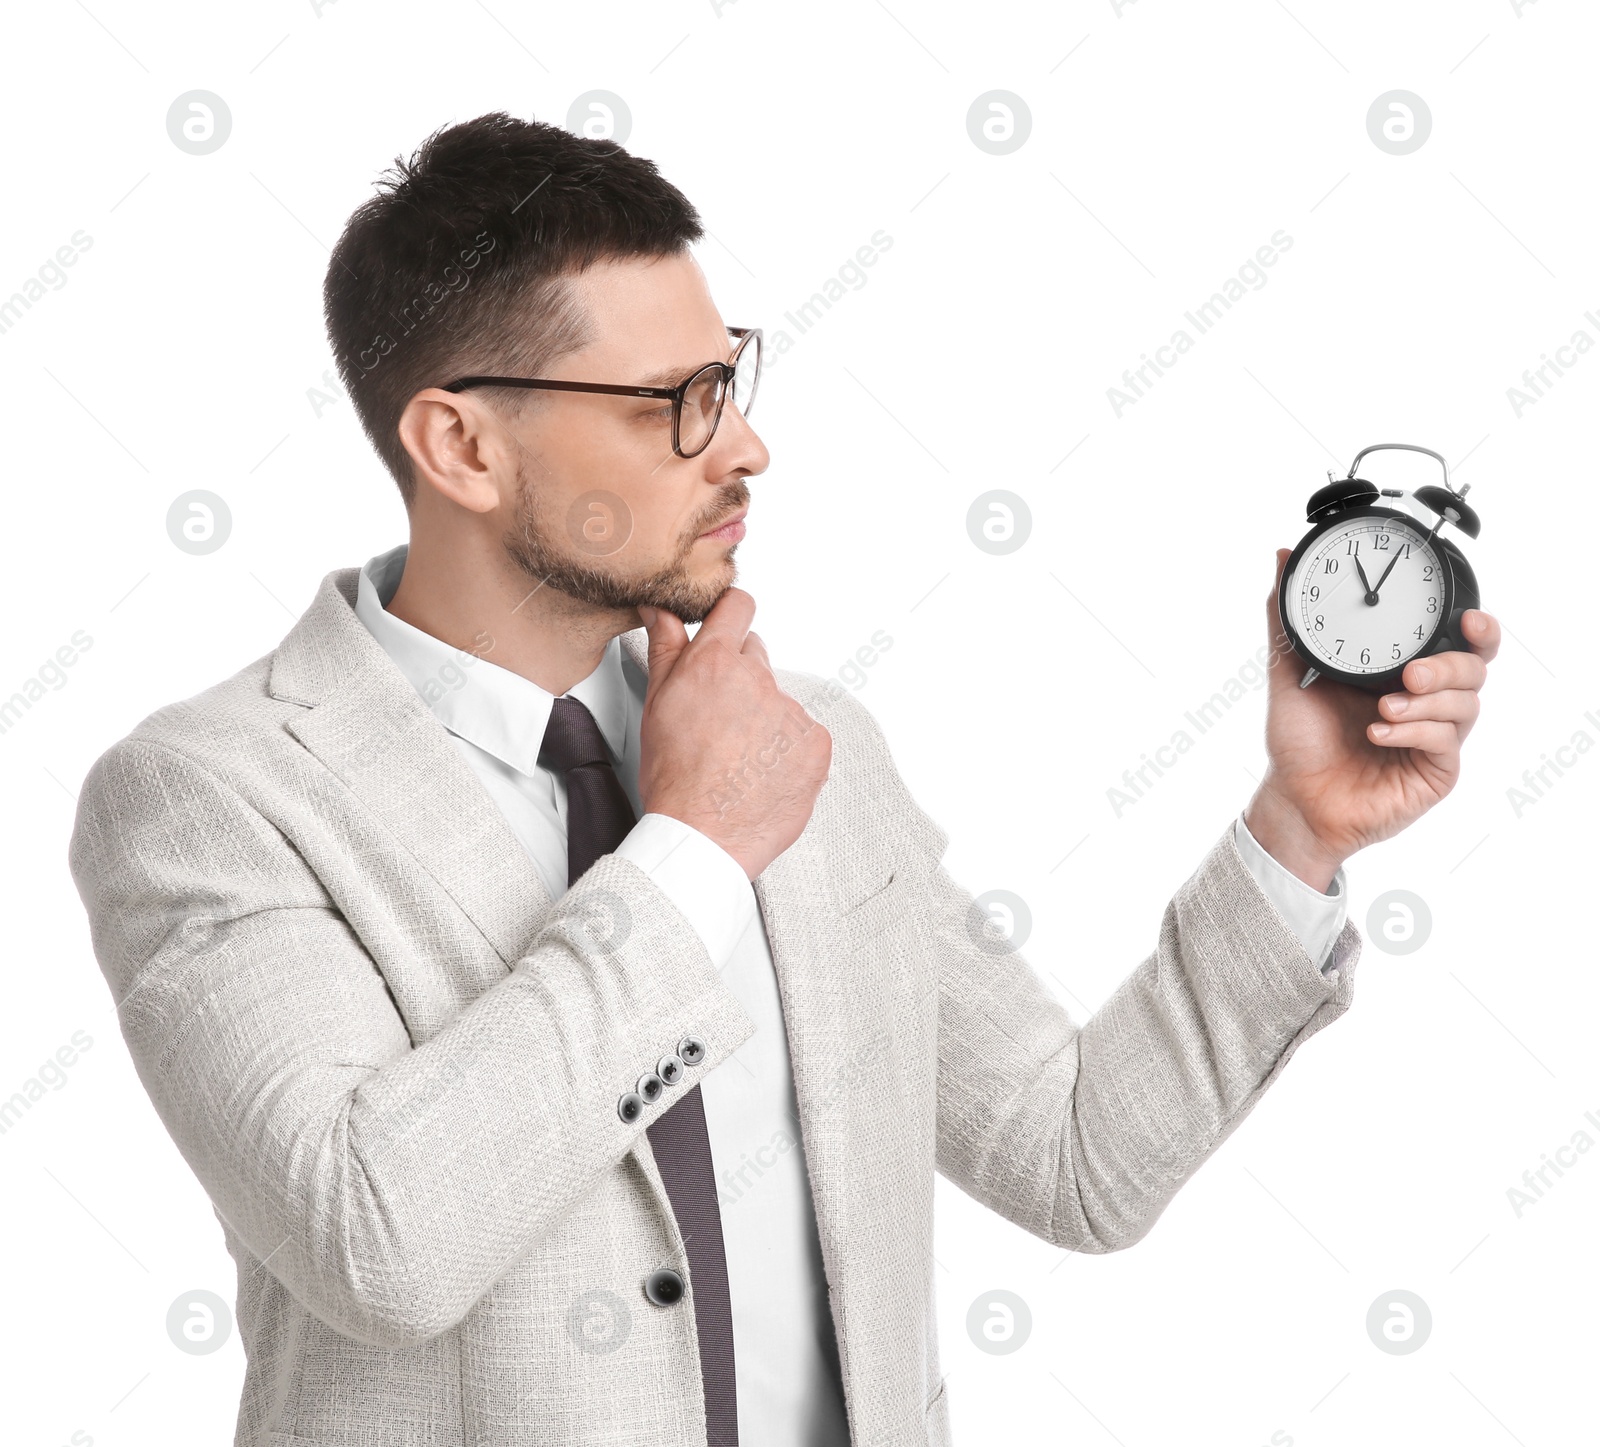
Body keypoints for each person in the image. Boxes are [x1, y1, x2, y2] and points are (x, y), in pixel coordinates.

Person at [67, 112, 1500, 1447]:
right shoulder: (213, 798)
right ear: (461, 445)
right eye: (670, 404)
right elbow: (376, 1238)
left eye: (729, 381)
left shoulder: (809, 747)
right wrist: (691, 852)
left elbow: (1070, 1158)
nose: (744, 446)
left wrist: (1296, 834)